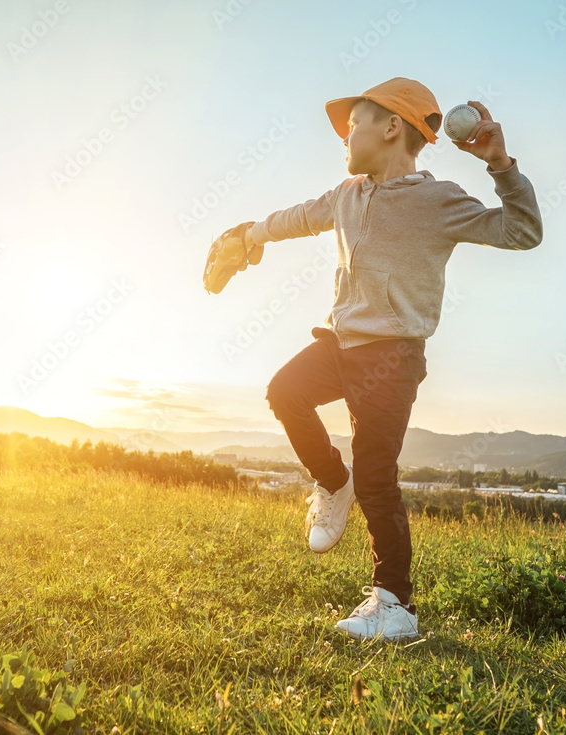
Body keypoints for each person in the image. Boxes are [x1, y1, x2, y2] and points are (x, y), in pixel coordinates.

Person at [225, 78, 543, 641]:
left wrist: (500, 165)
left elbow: (521, 232)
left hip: (392, 355)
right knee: (285, 392)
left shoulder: (439, 200)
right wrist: (247, 235)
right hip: (340, 343)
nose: (344, 139)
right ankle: (331, 481)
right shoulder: (349, 194)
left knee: (377, 474)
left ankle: (395, 606)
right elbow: (298, 217)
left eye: (353, 126)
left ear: (392, 126)